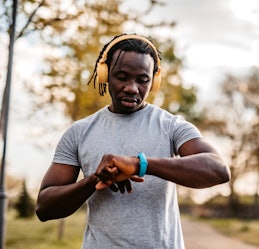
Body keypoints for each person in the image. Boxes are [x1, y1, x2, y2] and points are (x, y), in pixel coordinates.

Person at [35, 33, 231, 249]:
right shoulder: (79, 132)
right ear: (105, 74)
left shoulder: (171, 126)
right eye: (122, 76)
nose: (132, 88)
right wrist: (94, 180)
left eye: (142, 79)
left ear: (153, 81)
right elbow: (44, 208)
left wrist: (140, 165)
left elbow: (219, 170)